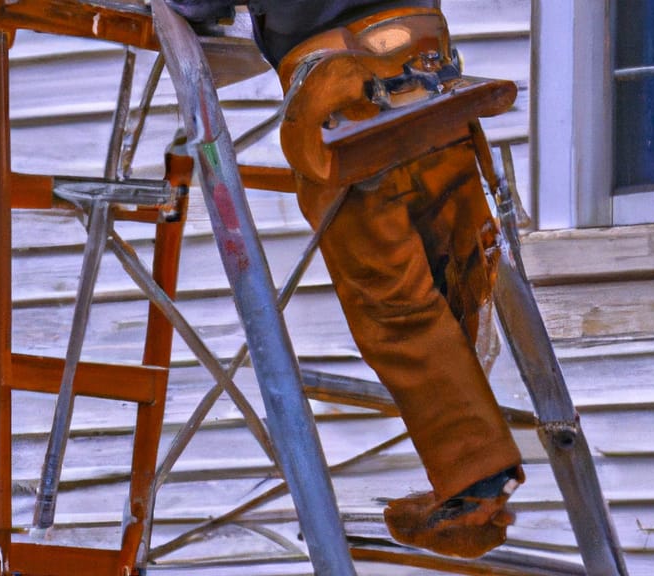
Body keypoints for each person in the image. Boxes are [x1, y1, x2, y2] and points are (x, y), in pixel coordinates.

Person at [165, 0, 525, 558]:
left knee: (396, 306)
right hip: (431, 65)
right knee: (455, 266)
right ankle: (478, 470)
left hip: (342, 92)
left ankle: (476, 478)